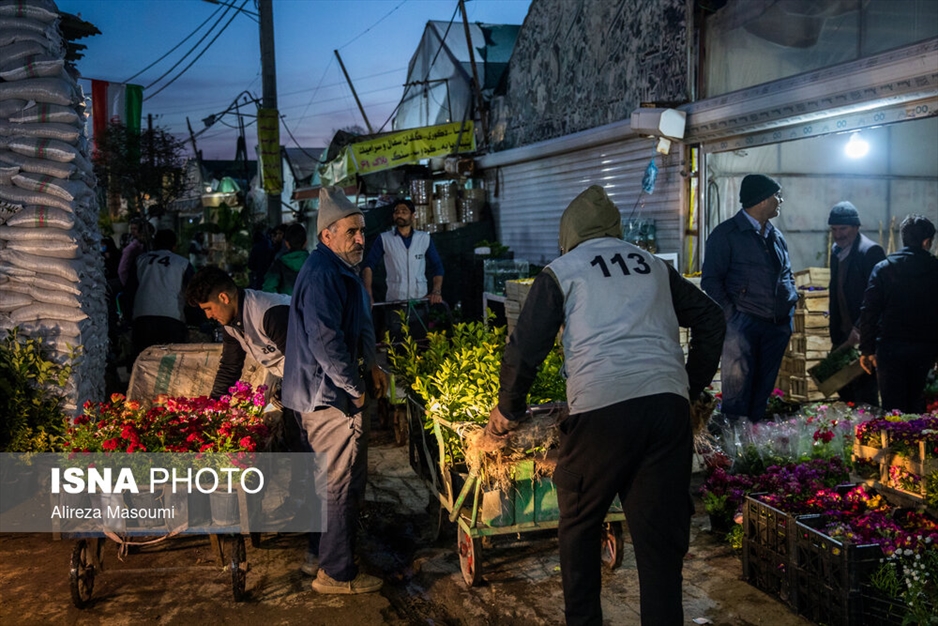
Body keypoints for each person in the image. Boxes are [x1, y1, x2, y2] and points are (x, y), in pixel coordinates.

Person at [482, 185, 724, 625]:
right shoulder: (653, 265)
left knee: (579, 521)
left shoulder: (562, 270)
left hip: (602, 411)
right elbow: (712, 318)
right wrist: (689, 387)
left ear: (568, 234)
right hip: (666, 411)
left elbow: (526, 347)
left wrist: (508, 408)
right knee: (659, 541)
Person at [282, 186, 387, 595]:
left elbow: (358, 323)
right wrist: (354, 388)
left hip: (323, 394)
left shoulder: (338, 268)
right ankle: (336, 574)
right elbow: (326, 341)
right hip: (328, 399)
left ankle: (320, 555)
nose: (360, 239)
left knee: (325, 484)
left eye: (362, 231)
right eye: (351, 232)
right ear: (326, 234)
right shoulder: (324, 274)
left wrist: (372, 364)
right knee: (339, 486)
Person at [701, 174, 798, 422]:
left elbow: (786, 274)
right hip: (743, 325)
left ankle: (752, 439)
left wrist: (790, 304)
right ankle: (734, 442)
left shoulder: (775, 235)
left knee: (762, 391)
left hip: (776, 326)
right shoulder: (726, 234)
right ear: (762, 200)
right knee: (737, 392)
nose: (780, 200)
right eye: (776, 196)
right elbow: (711, 280)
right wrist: (733, 318)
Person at [859, 214, 938, 414]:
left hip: (890, 350)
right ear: (926, 242)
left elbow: (869, 311)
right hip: (925, 350)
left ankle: (895, 434)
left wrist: (867, 349)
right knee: (917, 406)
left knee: (893, 409)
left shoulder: (884, 269)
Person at [826, 201, 885, 406]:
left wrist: (860, 328)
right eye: (834, 229)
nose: (838, 234)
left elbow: (878, 298)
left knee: (865, 394)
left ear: (856, 227)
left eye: (843, 229)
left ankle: (869, 426)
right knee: (842, 390)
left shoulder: (870, 252)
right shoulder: (836, 252)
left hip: (863, 336)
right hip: (843, 335)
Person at [362, 198, 444, 342]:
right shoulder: (384, 239)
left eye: (404, 211)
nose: (399, 214)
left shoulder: (424, 239)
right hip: (395, 304)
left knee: (420, 345)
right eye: (396, 212)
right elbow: (368, 266)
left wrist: (436, 291)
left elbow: (437, 266)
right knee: (397, 345)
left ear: (413, 216)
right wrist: (368, 293)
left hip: (419, 303)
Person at [130, 229, 193, 363]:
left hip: (142, 316)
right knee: (171, 363)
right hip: (172, 316)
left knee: (143, 362)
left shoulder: (141, 260)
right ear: (174, 246)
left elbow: (130, 289)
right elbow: (193, 292)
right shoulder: (182, 263)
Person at [263, 223, 309, 295]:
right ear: (306, 242)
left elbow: (268, 290)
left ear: (286, 243)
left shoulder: (278, 265)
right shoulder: (316, 264)